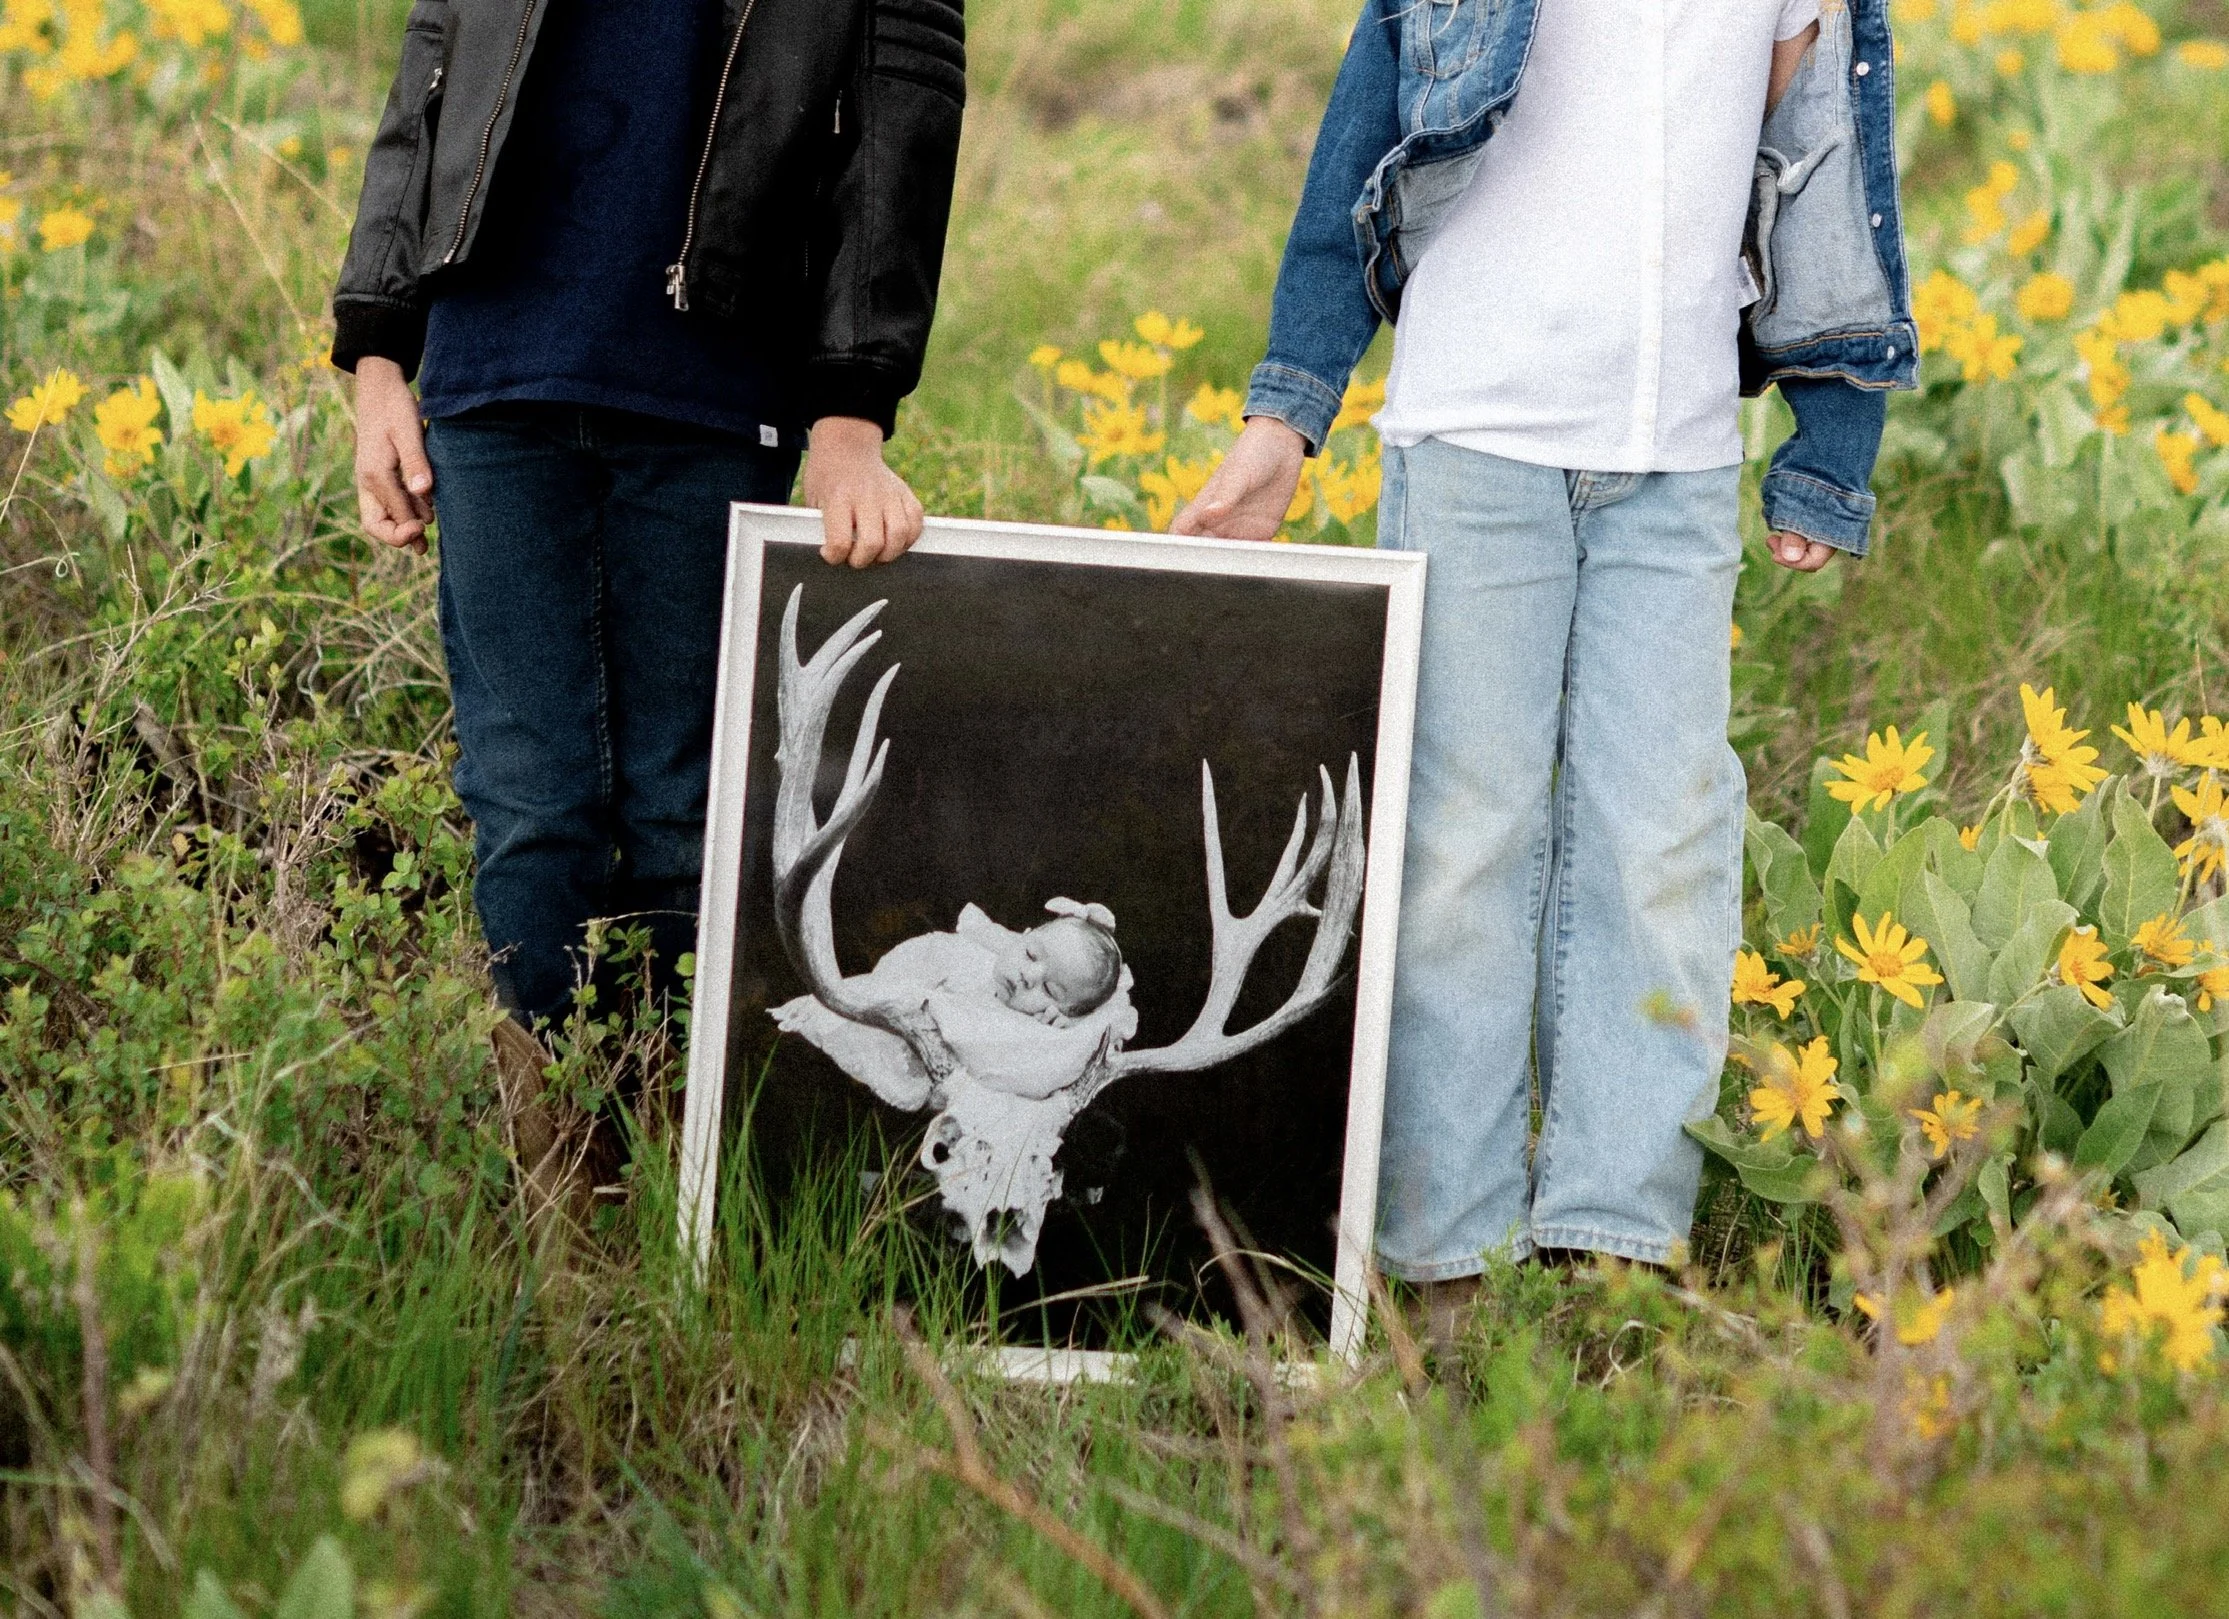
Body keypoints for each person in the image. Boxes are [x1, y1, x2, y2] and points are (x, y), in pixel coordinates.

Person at [1177, 0, 1914, 1309]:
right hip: (1475, 428)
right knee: (1468, 834)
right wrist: (1287, 412)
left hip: (1675, 455)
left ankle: (1614, 1244)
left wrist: (1830, 437)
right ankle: (1440, 1251)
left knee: (1664, 838)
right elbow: (1365, 130)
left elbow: (1817, 160)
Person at [329, 0, 967, 1048]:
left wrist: (851, 411)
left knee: (691, 811)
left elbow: (903, 114)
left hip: (714, 384)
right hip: (492, 370)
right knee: (530, 808)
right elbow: (434, 65)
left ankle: (676, 1143)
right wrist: (381, 349)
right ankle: (567, 1176)